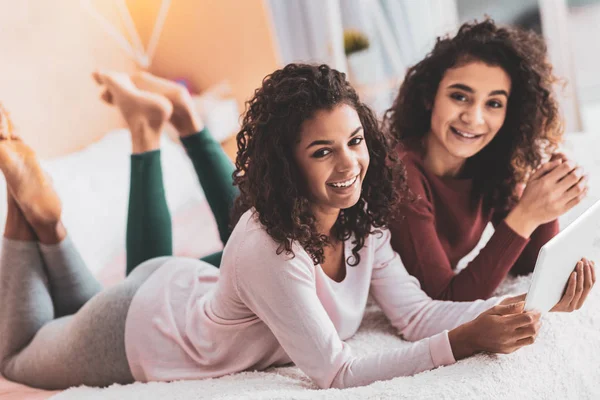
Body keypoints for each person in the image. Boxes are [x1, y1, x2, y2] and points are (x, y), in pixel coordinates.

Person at [0, 64, 592, 391]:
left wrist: (531, 309)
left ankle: (49, 224)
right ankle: (32, 218)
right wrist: (461, 342)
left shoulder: (363, 223)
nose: (349, 165)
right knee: (18, 357)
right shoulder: (270, 246)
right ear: (287, 163)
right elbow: (336, 371)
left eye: (356, 141)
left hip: (173, 289)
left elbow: (415, 315)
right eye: (322, 151)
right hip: (136, 329)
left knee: (64, 312)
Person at [383, 19, 592, 301]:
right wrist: (527, 213)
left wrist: (546, 198)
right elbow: (444, 298)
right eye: (460, 96)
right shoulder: (399, 170)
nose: (474, 118)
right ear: (429, 97)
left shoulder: (488, 162)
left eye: (493, 103)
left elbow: (528, 264)